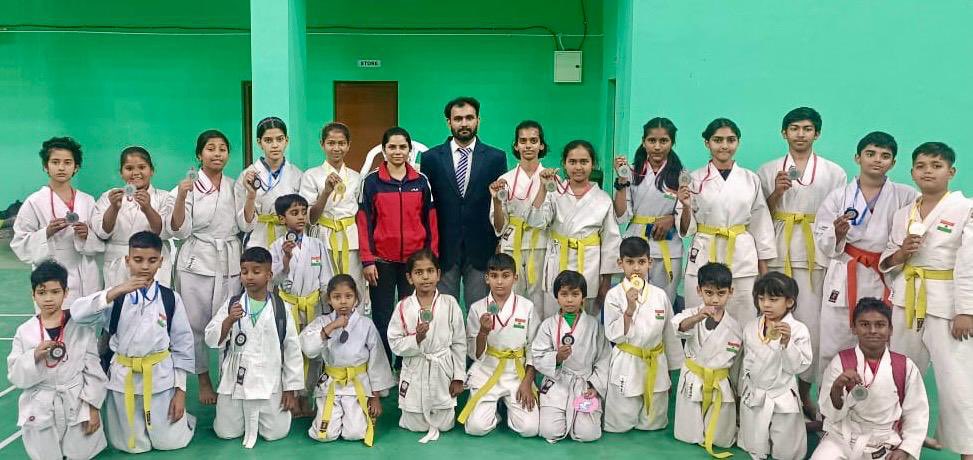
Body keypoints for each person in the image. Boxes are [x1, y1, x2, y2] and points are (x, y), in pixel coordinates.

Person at [880, 141, 973, 459]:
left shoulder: (966, 208)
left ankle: (968, 450)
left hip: (947, 305)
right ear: (912, 172)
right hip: (906, 301)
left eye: (936, 165)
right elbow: (887, 259)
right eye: (921, 165)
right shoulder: (904, 213)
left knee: (957, 380)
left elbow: (969, 262)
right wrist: (901, 253)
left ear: (951, 171)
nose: (928, 171)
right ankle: (901, 442)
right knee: (901, 374)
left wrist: (967, 311)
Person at [70, 231, 196, 453]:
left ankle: (184, 421)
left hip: (160, 379)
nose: (145, 266)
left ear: (161, 262)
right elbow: (78, 314)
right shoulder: (115, 297)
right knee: (131, 447)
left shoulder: (169, 298)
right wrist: (116, 291)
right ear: (127, 261)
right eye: (138, 260)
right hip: (122, 380)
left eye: (152, 260)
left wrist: (180, 391)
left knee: (170, 443)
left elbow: (183, 345)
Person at [757, 107, 847, 418]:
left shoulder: (834, 172)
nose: (800, 134)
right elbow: (759, 215)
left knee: (810, 323)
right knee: (772, 316)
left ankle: (805, 394)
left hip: (814, 250)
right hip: (779, 243)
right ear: (784, 133)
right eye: (794, 128)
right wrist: (777, 193)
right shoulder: (768, 170)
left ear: (817, 134)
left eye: (807, 129)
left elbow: (837, 215)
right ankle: (773, 389)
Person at [814, 132, 916, 381]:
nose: (877, 160)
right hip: (846, 270)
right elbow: (821, 239)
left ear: (893, 163)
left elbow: (912, 230)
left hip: (884, 272)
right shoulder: (839, 196)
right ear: (857, 158)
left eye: (885, 156)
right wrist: (837, 235)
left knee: (881, 338)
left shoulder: (906, 195)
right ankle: (829, 410)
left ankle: (879, 406)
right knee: (834, 340)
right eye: (870, 154)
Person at [171, 129, 255, 405]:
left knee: (229, 320)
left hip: (229, 259)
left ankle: (228, 378)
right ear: (199, 154)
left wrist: (252, 197)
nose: (217, 153)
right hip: (197, 261)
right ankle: (204, 379)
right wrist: (182, 197)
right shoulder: (187, 186)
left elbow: (245, 225)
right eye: (210, 148)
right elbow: (180, 231)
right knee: (195, 324)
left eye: (222, 148)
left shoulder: (235, 186)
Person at [676, 118, 776, 322]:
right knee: (700, 317)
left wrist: (764, 271)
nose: (724, 146)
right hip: (705, 249)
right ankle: (697, 355)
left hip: (741, 255)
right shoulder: (693, 179)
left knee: (743, 316)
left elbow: (761, 224)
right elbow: (685, 229)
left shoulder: (750, 179)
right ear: (707, 143)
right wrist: (685, 205)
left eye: (730, 140)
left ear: (738, 142)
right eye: (717, 140)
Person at [205, 247, 303, 448]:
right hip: (235, 382)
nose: (249, 277)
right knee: (226, 433)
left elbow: (292, 349)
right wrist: (229, 320)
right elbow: (211, 338)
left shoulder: (281, 309)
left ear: (269, 275)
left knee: (276, 433)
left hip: (269, 381)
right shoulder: (232, 304)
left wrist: (291, 389)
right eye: (244, 271)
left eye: (256, 271)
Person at [8, 261, 107, 460]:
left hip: (76, 400)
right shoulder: (24, 331)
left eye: (55, 292)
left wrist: (93, 408)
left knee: (79, 454)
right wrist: (34, 355)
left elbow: (94, 372)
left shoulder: (80, 328)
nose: (48, 299)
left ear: (66, 293)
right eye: (42, 293)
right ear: (33, 294)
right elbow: (15, 376)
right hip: (41, 402)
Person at [357, 127, 438, 363]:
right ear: (383, 150)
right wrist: (368, 259)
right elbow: (364, 223)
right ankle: (383, 367)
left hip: (413, 263)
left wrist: (430, 258)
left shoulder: (421, 182)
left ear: (410, 150)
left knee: (410, 314)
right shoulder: (372, 182)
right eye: (392, 147)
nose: (397, 151)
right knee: (382, 317)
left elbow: (431, 222)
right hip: (381, 262)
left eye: (402, 147)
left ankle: (406, 363)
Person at [812, 298, 928, 460]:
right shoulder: (841, 361)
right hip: (841, 439)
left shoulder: (904, 366)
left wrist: (906, 449)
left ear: (890, 330)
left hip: (884, 441)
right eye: (865, 324)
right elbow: (832, 416)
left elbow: (917, 412)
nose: (872, 330)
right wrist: (837, 388)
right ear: (854, 328)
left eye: (880, 325)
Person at [420, 97, 506, 309]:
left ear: (478, 120)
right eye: (458, 119)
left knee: (479, 311)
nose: (464, 123)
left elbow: (501, 204)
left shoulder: (496, 158)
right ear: (448, 122)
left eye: (469, 118)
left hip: (481, 247)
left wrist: (499, 242)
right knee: (443, 310)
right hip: (444, 247)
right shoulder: (431, 158)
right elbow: (426, 206)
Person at [530, 140, 623, 318]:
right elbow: (536, 221)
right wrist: (543, 187)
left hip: (589, 265)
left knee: (586, 320)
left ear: (593, 164)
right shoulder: (555, 193)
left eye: (584, 161)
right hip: (558, 261)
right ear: (564, 164)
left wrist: (606, 283)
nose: (578, 167)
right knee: (554, 317)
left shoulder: (603, 199)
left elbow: (611, 243)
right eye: (572, 162)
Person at [300, 274, 394, 446]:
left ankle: (355, 416)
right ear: (329, 299)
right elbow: (308, 349)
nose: (343, 302)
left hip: (357, 384)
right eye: (337, 297)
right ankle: (324, 413)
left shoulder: (366, 324)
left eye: (348, 296)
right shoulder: (323, 321)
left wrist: (375, 397)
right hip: (331, 385)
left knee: (355, 433)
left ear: (356, 299)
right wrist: (330, 328)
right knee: (324, 434)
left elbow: (377, 361)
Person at [603, 237, 683, 433]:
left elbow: (669, 336)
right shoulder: (614, 295)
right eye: (630, 262)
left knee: (652, 424)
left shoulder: (660, 295)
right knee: (620, 424)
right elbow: (613, 335)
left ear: (650, 263)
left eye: (641, 262)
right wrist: (629, 310)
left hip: (655, 362)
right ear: (620, 263)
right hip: (627, 362)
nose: (636, 268)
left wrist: (671, 373)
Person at [12, 137, 104, 309]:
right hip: (51, 274)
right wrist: (46, 233)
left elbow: (101, 238)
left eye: (67, 162)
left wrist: (87, 235)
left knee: (85, 327)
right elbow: (20, 242)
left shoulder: (88, 201)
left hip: (85, 272)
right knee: (54, 327)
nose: (61, 167)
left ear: (76, 167)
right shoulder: (34, 202)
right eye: (55, 162)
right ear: (45, 166)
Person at [386, 249, 466, 443]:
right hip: (416, 366)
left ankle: (442, 406)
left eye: (430, 271)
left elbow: (459, 343)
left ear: (438, 274)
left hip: (442, 368)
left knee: (445, 424)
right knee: (414, 424)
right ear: (409, 277)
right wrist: (417, 339)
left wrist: (458, 377)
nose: (425, 277)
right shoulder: (403, 306)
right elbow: (394, 342)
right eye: (419, 272)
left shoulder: (450, 303)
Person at [458, 253, 541, 437]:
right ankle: (495, 412)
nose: (500, 282)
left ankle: (510, 407)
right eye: (494, 276)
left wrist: (527, 383)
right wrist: (483, 332)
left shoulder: (526, 307)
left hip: (516, 373)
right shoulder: (477, 308)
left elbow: (534, 347)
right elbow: (475, 354)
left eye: (505, 275)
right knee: (475, 428)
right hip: (487, 371)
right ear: (487, 278)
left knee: (530, 429)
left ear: (515, 277)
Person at [269, 193, 333, 415]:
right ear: (281, 218)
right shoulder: (276, 246)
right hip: (288, 306)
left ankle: (307, 397)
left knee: (313, 352)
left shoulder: (317, 245)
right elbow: (273, 279)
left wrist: (328, 304)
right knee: (290, 351)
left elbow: (326, 277)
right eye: (294, 213)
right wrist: (285, 259)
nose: (300, 217)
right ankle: (292, 396)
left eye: (303, 212)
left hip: (314, 305)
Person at [671, 262, 743, 458]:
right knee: (688, 434)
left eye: (721, 293)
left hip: (720, 382)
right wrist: (697, 317)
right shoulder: (692, 314)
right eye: (709, 293)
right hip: (694, 378)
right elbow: (678, 327)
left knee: (722, 438)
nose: (714, 299)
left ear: (730, 292)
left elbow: (737, 364)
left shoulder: (735, 327)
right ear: (699, 291)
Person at [737, 272, 812, 460]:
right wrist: (740, 392)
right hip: (755, 392)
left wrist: (787, 343)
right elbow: (746, 364)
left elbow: (799, 367)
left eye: (773, 299)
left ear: (789, 302)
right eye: (761, 298)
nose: (766, 304)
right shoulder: (751, 326)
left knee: (787, 453)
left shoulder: (798, 330)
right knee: (753, 445)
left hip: (781, 394)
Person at [531, 270, 610, 443]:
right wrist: (557, 358)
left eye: (575, 294)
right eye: (564, 294)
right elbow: (537, 355)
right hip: (557, 382)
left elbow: (604, 359)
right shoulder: (548, 325)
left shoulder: (594, 326)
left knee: (587, 434)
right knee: (549, 432)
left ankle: (580, 418)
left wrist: (595, 386)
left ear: (583, 297)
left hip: (584, 384)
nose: (569, 299)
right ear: (557, 297)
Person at [613, 117, 686, 303]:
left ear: (672, 143)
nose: (657, 147)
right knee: (633, 300)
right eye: (652, 141)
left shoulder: (681, 175)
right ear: (643, 142)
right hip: (635, 245)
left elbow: (687, 212)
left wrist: (672, 217)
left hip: (668, 246)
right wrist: (621, 181)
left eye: (664, 141)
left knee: (665, 303)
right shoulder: (630, 171)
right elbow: (621, 217)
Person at [301, 122, 367, 307]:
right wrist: (326, 192)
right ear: (322, 144)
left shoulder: (356, 178)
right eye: (331, 143)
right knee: (324, 288)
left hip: (350, 239)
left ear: (348, 145)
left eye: (341, 143)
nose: (336, 148)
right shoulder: (311, 175)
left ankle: (354, 331)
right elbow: (310, 218)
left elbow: (361, 214)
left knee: (354, 287)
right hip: (323, 238)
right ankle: (327, 331)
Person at [92, 146, 178, 288]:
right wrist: (114, 208)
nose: (136, 173)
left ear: (152, 171)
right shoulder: (110, 196)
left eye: (142, 167)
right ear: (121, 173)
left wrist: (147, 208)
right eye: (129, 168)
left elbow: (164, 231)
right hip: (118, 261)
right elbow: (103, 232)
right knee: (119, 305)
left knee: (154, 305)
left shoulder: (164, 197)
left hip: (152, 261)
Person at [489, 120, 549, 309]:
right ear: (516, 145)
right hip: (511, 245)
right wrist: (497, 202)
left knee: (540, 300)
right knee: (510, 299)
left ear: (541, 145)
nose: (528, 145)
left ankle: (538, 338)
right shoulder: (504, 179)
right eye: (523, 141)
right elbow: (499, 228)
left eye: (533, 140)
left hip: (540, 244)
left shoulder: (551, 179)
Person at [236, 117, 304, 249]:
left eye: (280, 139)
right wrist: (251, 195)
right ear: (259, 142)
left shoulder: (297, 175)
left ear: (287, 140)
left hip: (289, 238)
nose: (275, 145)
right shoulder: (247, 175)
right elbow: (244, 223)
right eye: (268, 140)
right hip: (258, 239)